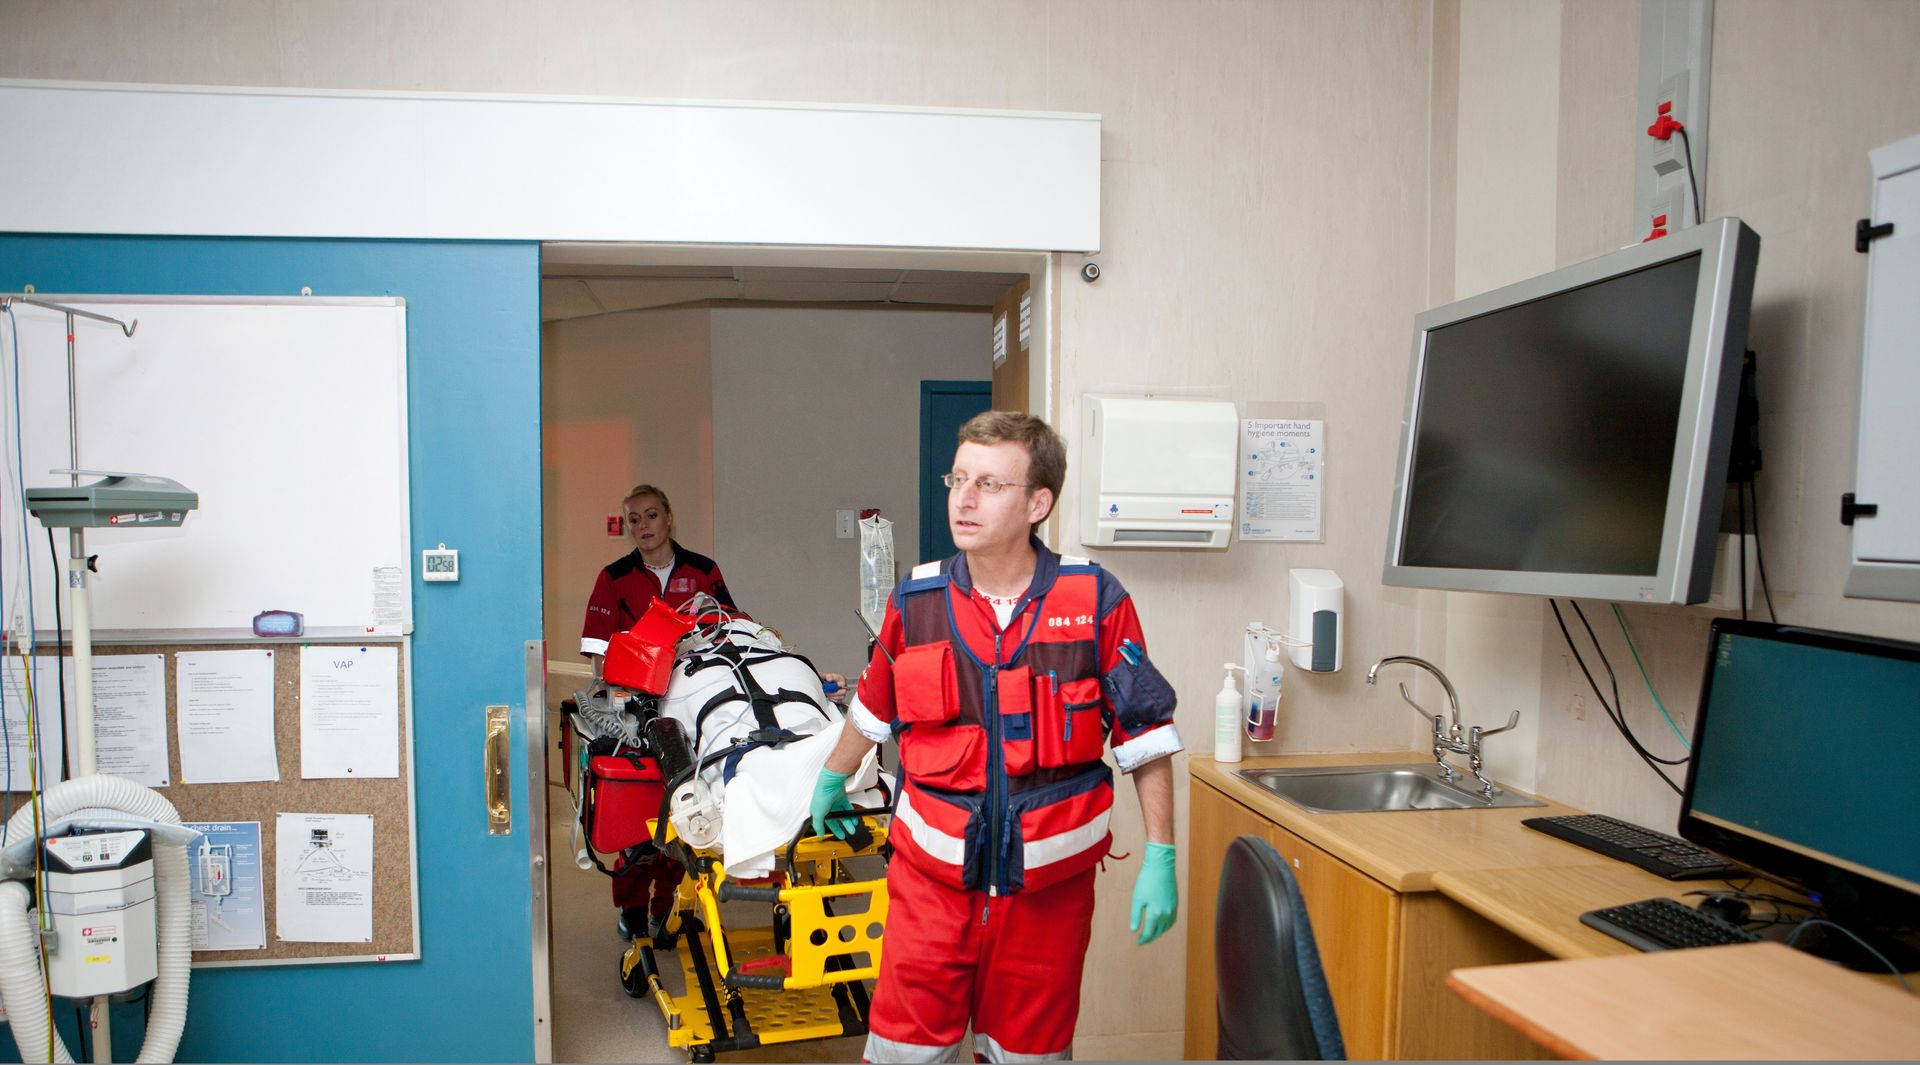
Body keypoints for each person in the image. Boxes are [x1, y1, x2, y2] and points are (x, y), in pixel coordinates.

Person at [810, 411, 1181, 1063]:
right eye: (958, 477)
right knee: (902, 1050)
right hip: (931, 886)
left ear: (1039, 502)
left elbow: (1146, 738)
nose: (964, 496)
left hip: (1045, 900)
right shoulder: (916, 601)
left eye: (989, 482)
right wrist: (833, 776)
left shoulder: (1094, 600)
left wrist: (1161, 854)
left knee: (1029, 1056)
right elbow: (872, 711)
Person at [579, 483, 737, 941]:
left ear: (668, 517)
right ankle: (631, 908)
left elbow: (727, 626)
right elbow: (597, 653)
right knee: (637, 826)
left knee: (684, 811)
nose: (643, 527)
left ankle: (665, 906)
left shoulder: (702, 570)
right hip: (637, 709)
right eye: (633, 519)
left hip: (692, 704)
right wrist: (612, 701)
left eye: (650, 516)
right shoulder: (614, 576)